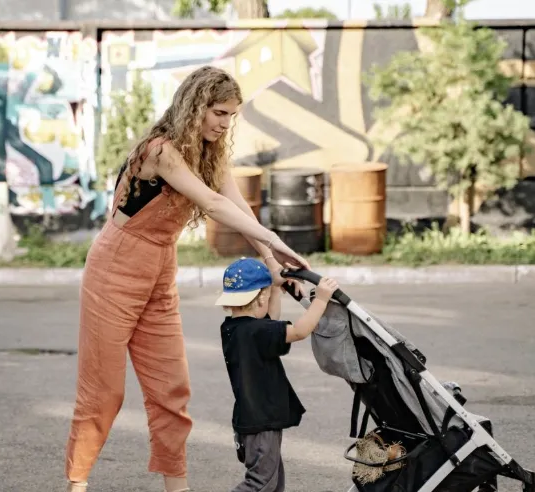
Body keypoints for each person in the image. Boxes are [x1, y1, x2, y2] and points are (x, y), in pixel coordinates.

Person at [63, 65, 311, 492]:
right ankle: (76, 483)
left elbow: (236, 204)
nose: (224, 122)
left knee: (171, 390)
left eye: (231, 115)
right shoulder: (160, 151)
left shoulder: (211, 155)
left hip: (160, 271)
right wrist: (272, 240)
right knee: (104, 392)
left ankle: (178, 489)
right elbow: (213, 205)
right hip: (115, 268)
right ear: (195, 104)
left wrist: (272, 259)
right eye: (218, 111)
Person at [216, 257, 339, 492]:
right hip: (260, 422)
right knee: (260, 484)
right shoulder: (259, 332)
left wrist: (273, 288)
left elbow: (269, 321)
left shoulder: (233, 329)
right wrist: (321, 299)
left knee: (272, 484)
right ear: (260, 297)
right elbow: (301, 331)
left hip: (251, 420)